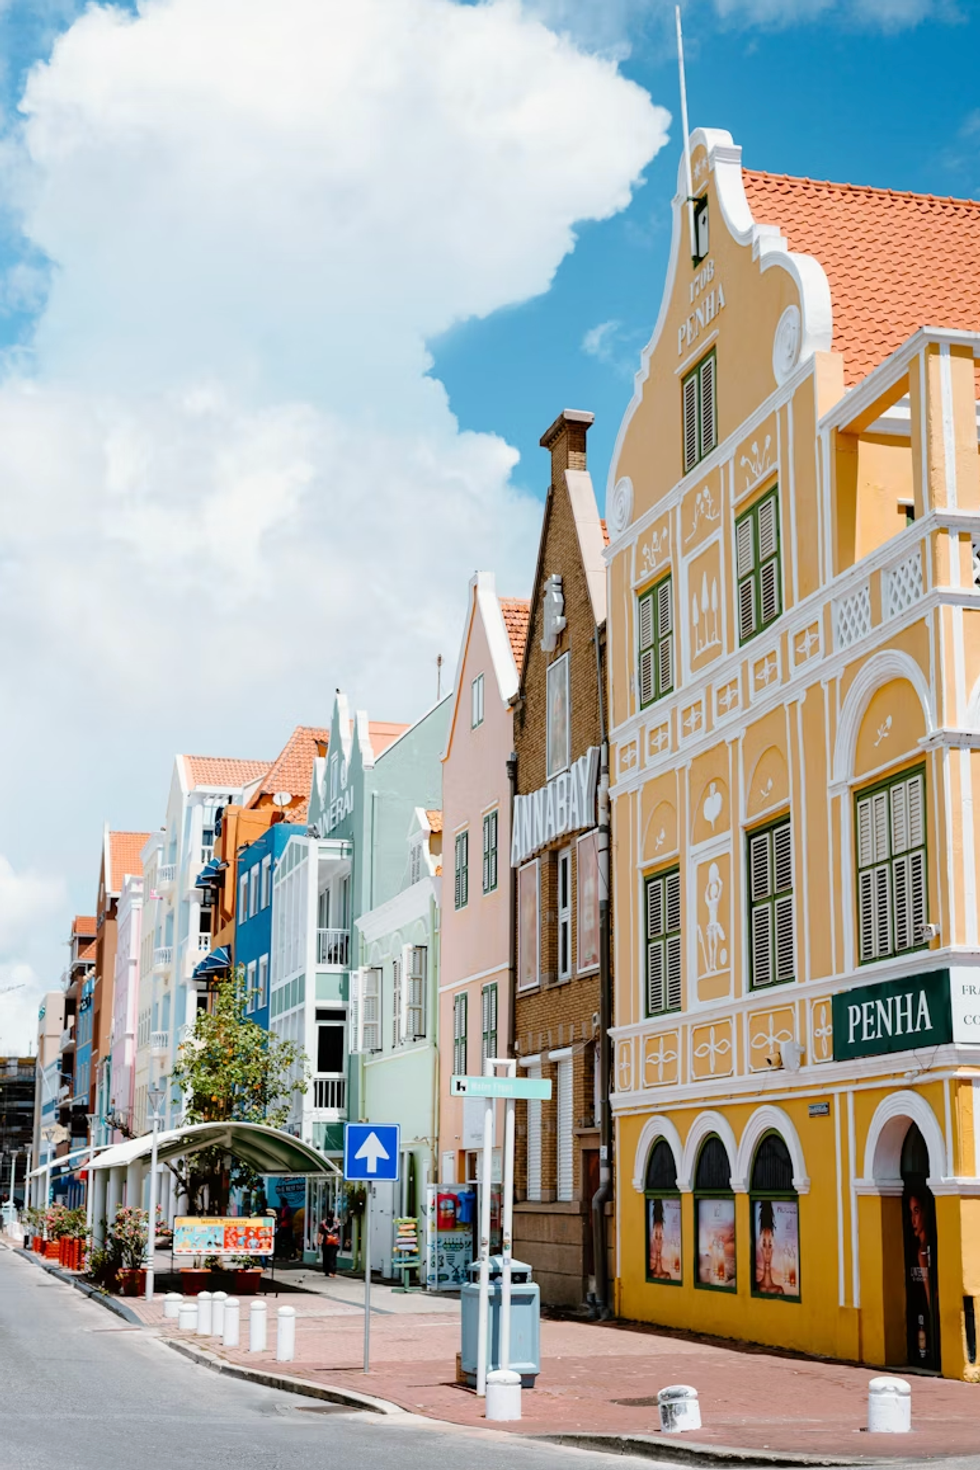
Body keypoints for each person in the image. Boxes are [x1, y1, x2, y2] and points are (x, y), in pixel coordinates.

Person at [318, 1211, 340, 1277]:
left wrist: (319, 1240)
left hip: (326, 1241)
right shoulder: (336, 1223)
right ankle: (333, 1271)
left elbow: (320, 1232)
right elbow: (338, 1232)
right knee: (333, 1257)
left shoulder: (323, 1223)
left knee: (326, 1256)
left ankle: (326, 1271)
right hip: (334, 1242)